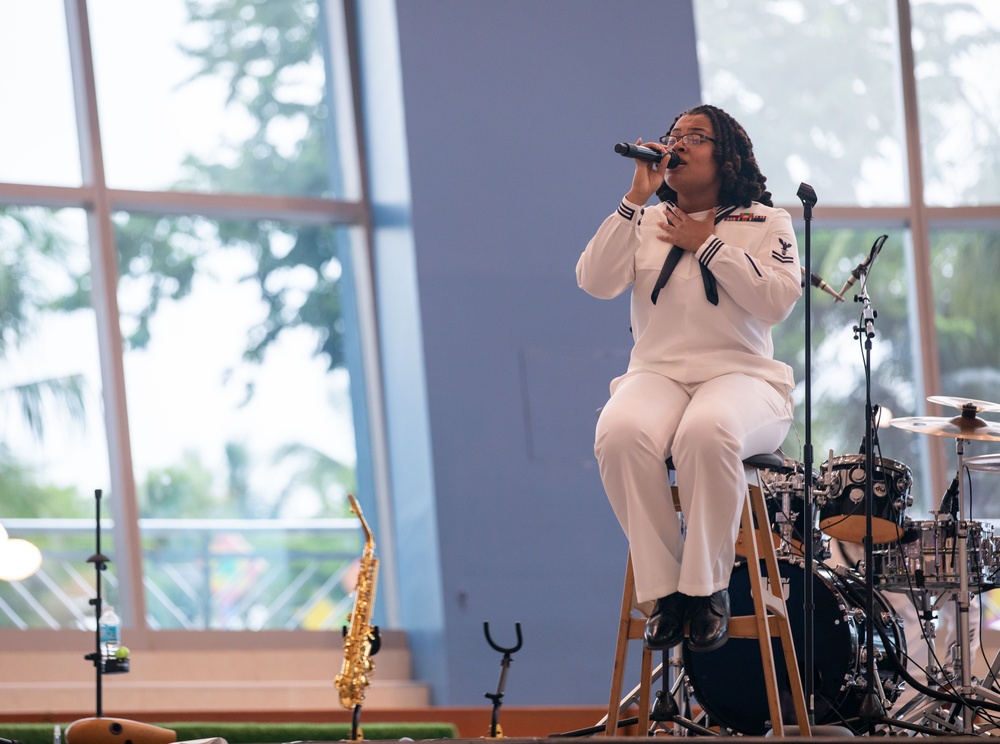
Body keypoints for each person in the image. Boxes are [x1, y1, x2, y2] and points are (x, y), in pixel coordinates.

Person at [576, 104, 801, 652]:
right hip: (658, 374)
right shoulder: (646, 221)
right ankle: (665, 595)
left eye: (693, 137)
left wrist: (707, 243)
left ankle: (706, 591)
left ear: (725, 157)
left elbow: (776, 301)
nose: (675, 144)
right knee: (620, 433)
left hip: (743, 378)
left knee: (707, 431)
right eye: (671, 136)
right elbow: (594, 281)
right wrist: (634, 199)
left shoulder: (765, 221)